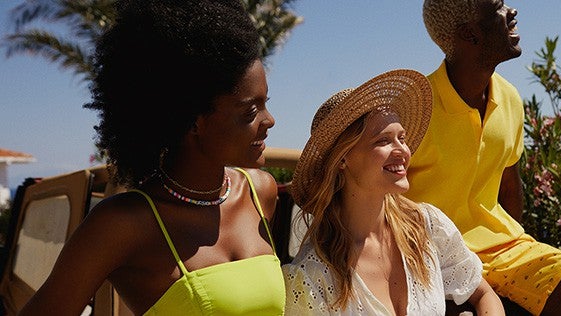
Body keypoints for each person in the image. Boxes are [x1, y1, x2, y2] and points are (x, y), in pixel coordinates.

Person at [19, 0, 284, 315]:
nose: (269, 121)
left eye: (265, 103)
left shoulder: (260, 193)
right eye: (250, 111)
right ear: (193, 121)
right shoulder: (124, 224)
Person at [404, 1, 561, 315]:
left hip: (509, 251)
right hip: (435, 262)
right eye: (497, 7)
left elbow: (510, 188)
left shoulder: (509, 97)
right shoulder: (415, 108)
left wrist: (516, 287)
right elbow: (382, 205)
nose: (512, 11)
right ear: (470, 33)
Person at [283, 69, 505, 315]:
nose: (403, 151)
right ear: (343, 158)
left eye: (402, 138)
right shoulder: (312, 277)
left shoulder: (427, 228)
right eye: (383, 140)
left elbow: (484, 294)